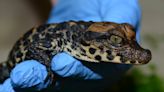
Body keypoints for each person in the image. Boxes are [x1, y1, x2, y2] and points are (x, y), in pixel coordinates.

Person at [0, 0, 141, 91]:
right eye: (115, 40)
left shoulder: (81, 40)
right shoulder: (59, 40)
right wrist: (47, 65)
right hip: (8, 66)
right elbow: (33, 47)